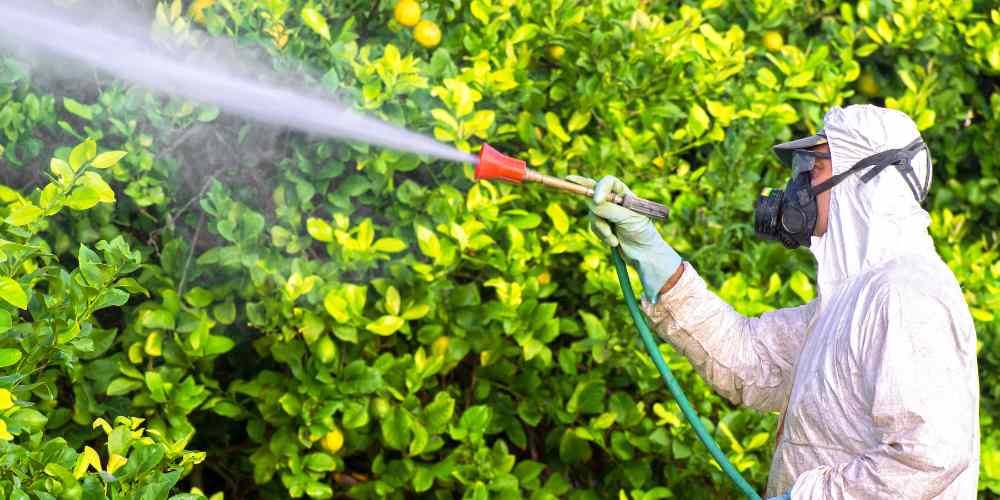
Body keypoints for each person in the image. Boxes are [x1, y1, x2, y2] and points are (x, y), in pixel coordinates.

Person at [567, 104, 980, 498]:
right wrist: (653, 256)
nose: (801, 187)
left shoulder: (907, 294)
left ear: (864, 182)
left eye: (816, 169)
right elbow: (749, 361)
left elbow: (930, 454)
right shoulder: (848, 302)